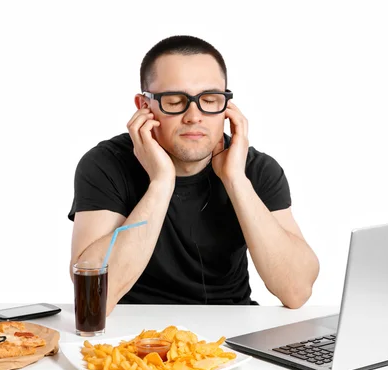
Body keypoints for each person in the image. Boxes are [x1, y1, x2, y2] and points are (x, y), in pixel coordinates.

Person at [68, 35, 319, 315]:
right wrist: (161, 182)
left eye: (210, 100)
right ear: (144, 106)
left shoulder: (256, 169)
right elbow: (92, 298)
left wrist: (235, 180)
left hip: (231, 334)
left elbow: (296, 291)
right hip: (134, 337)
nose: (194, 115)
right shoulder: (105, 165)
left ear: (226, 108)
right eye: (175, 101)